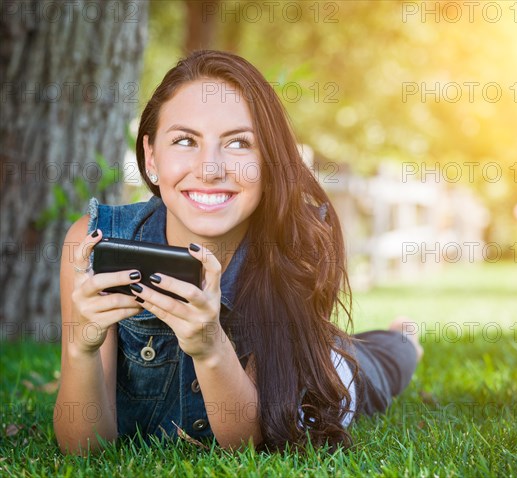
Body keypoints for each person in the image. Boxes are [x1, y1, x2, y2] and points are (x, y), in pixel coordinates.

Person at [54, 50, 422, 455]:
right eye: (184, 140)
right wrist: (81, 347)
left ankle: (402, 338)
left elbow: (247, 444)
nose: (210, 168)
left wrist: (209, 344)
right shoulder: (93, 242)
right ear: (151, 157)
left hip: (313, 380)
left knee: (377, 363)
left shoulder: (296, 243)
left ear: (267, 160)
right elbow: (84, 450)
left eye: (238, 143)